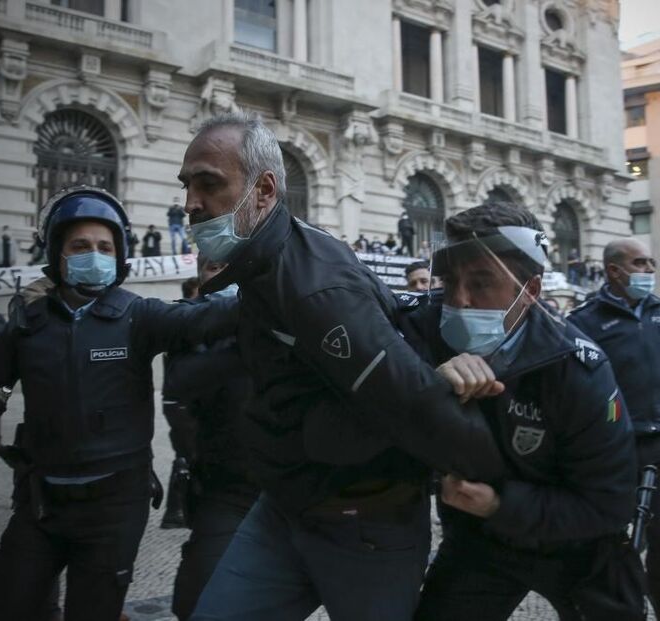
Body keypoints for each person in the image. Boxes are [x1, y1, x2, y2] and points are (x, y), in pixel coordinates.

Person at [179, 113, 505, 621]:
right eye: (187, 185)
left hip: (366, 527)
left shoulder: (316, 291)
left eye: (209, 184)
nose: (192, 203)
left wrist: (523, 499)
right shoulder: (265, 264)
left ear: (264, 190)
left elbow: (418, 406)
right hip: (285, 509)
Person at [0, 186, 237, 621]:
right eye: (80, 246)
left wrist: (263, 289)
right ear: (58, 253)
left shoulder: (139, 316)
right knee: (1, 606)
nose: (92, 255)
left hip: (114, 509)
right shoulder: (27, 323)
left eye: (103, 247)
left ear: (119, 256)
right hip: (41, 504)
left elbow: (202, 319)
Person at [406, 203, 639, 621]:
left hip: (581, 550)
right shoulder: (422, 332)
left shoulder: (579, 369)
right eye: (449, 280)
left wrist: (499, 504)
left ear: (529, 291)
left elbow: (609, 505)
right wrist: (428, 389)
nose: (458, 299)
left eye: (481, 282)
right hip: (479, 543)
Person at [569, 238, 660, 621]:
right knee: (613, 535)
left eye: (652, 262)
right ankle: (616, 600)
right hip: (611, 447)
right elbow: (571, 392)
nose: (650, 270)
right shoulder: (583, 321)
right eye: (640, 263)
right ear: (615, 271)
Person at [167, 257, 259, 620]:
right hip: (225, 488)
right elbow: (177, 403)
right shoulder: (188, 334)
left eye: (230, 267)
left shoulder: (287, 319)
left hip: (287, 488)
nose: (222, 276)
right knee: (193, 598)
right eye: (212, 268)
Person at [160, 276, 202, 530]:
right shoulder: (185, 319)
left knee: (184, 454)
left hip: (178, 399)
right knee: (186, 455)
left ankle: (176, 510)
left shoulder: (180, 317)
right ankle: (176, 510)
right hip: (181, 401)